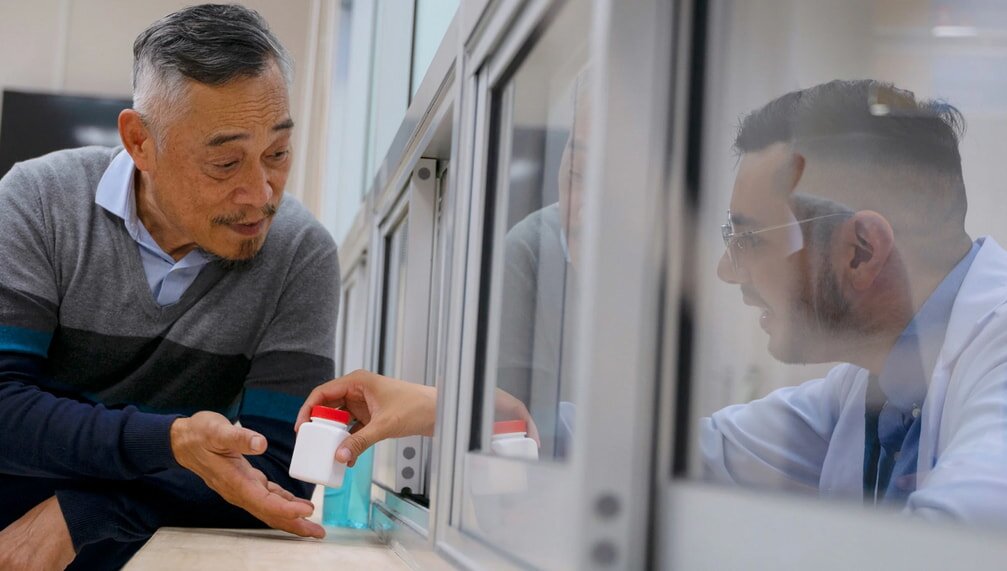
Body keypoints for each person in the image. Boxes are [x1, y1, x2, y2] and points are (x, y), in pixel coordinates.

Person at [302, 79, 1007, 526]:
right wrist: (442, 406)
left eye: (748, 237)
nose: (729, 269)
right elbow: (687, 452)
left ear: (859, 250)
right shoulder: (863, 390)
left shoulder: (996, 349)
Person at [0, 5, 338, 568]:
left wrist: (88, 510)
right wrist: (171, 442)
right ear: (139, 142)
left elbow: (280, 481)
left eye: (277, 153)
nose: (261, 193)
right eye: (226, 163)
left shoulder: (300, 254)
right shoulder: (37, 203)